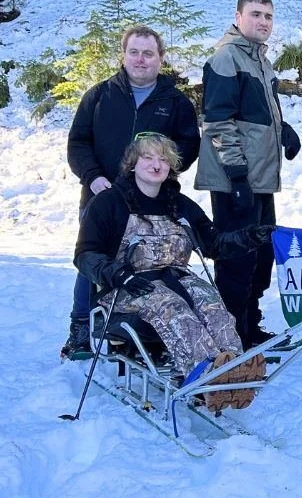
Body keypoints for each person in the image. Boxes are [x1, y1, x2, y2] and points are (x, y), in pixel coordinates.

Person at [74, 134, 274, 411]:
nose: (156, 165)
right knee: (171, 306)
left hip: (176, 280)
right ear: (133, 163)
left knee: (211, 303)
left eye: (163, 159)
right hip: (126, 287)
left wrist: (250, 236)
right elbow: (85, 255)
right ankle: (205, 375)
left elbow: (214, 243)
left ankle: (236, 369)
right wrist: (117, 274)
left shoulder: (179, 205)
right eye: (148, 157)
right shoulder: (109, 204)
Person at [62, 25, 200, 359]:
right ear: (123, 55)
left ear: (160, 59)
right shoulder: (99, 96)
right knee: (93, 262)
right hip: (102, 197)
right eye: (134, 52)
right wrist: (93, 177)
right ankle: (81, 330)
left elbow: (188, 146)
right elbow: (78, 142)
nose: (141, 59)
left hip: (151, 204)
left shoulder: (176, 102)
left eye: (148, 53)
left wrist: (160, 176)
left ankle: (138, 337)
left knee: (147, 268)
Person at [195, 0, 301, 349]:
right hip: (234, 181)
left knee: (260, 256)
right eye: (256, 14)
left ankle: (249, 326)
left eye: (269, 16)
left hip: (259, 179)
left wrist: (282, 131)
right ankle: (233, 335)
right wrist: (237, 175)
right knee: (237, 260)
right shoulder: (227, 58)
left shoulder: (260, 61)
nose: (263, 22)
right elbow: (218, 122)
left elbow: (256, 116)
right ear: (238, 17)